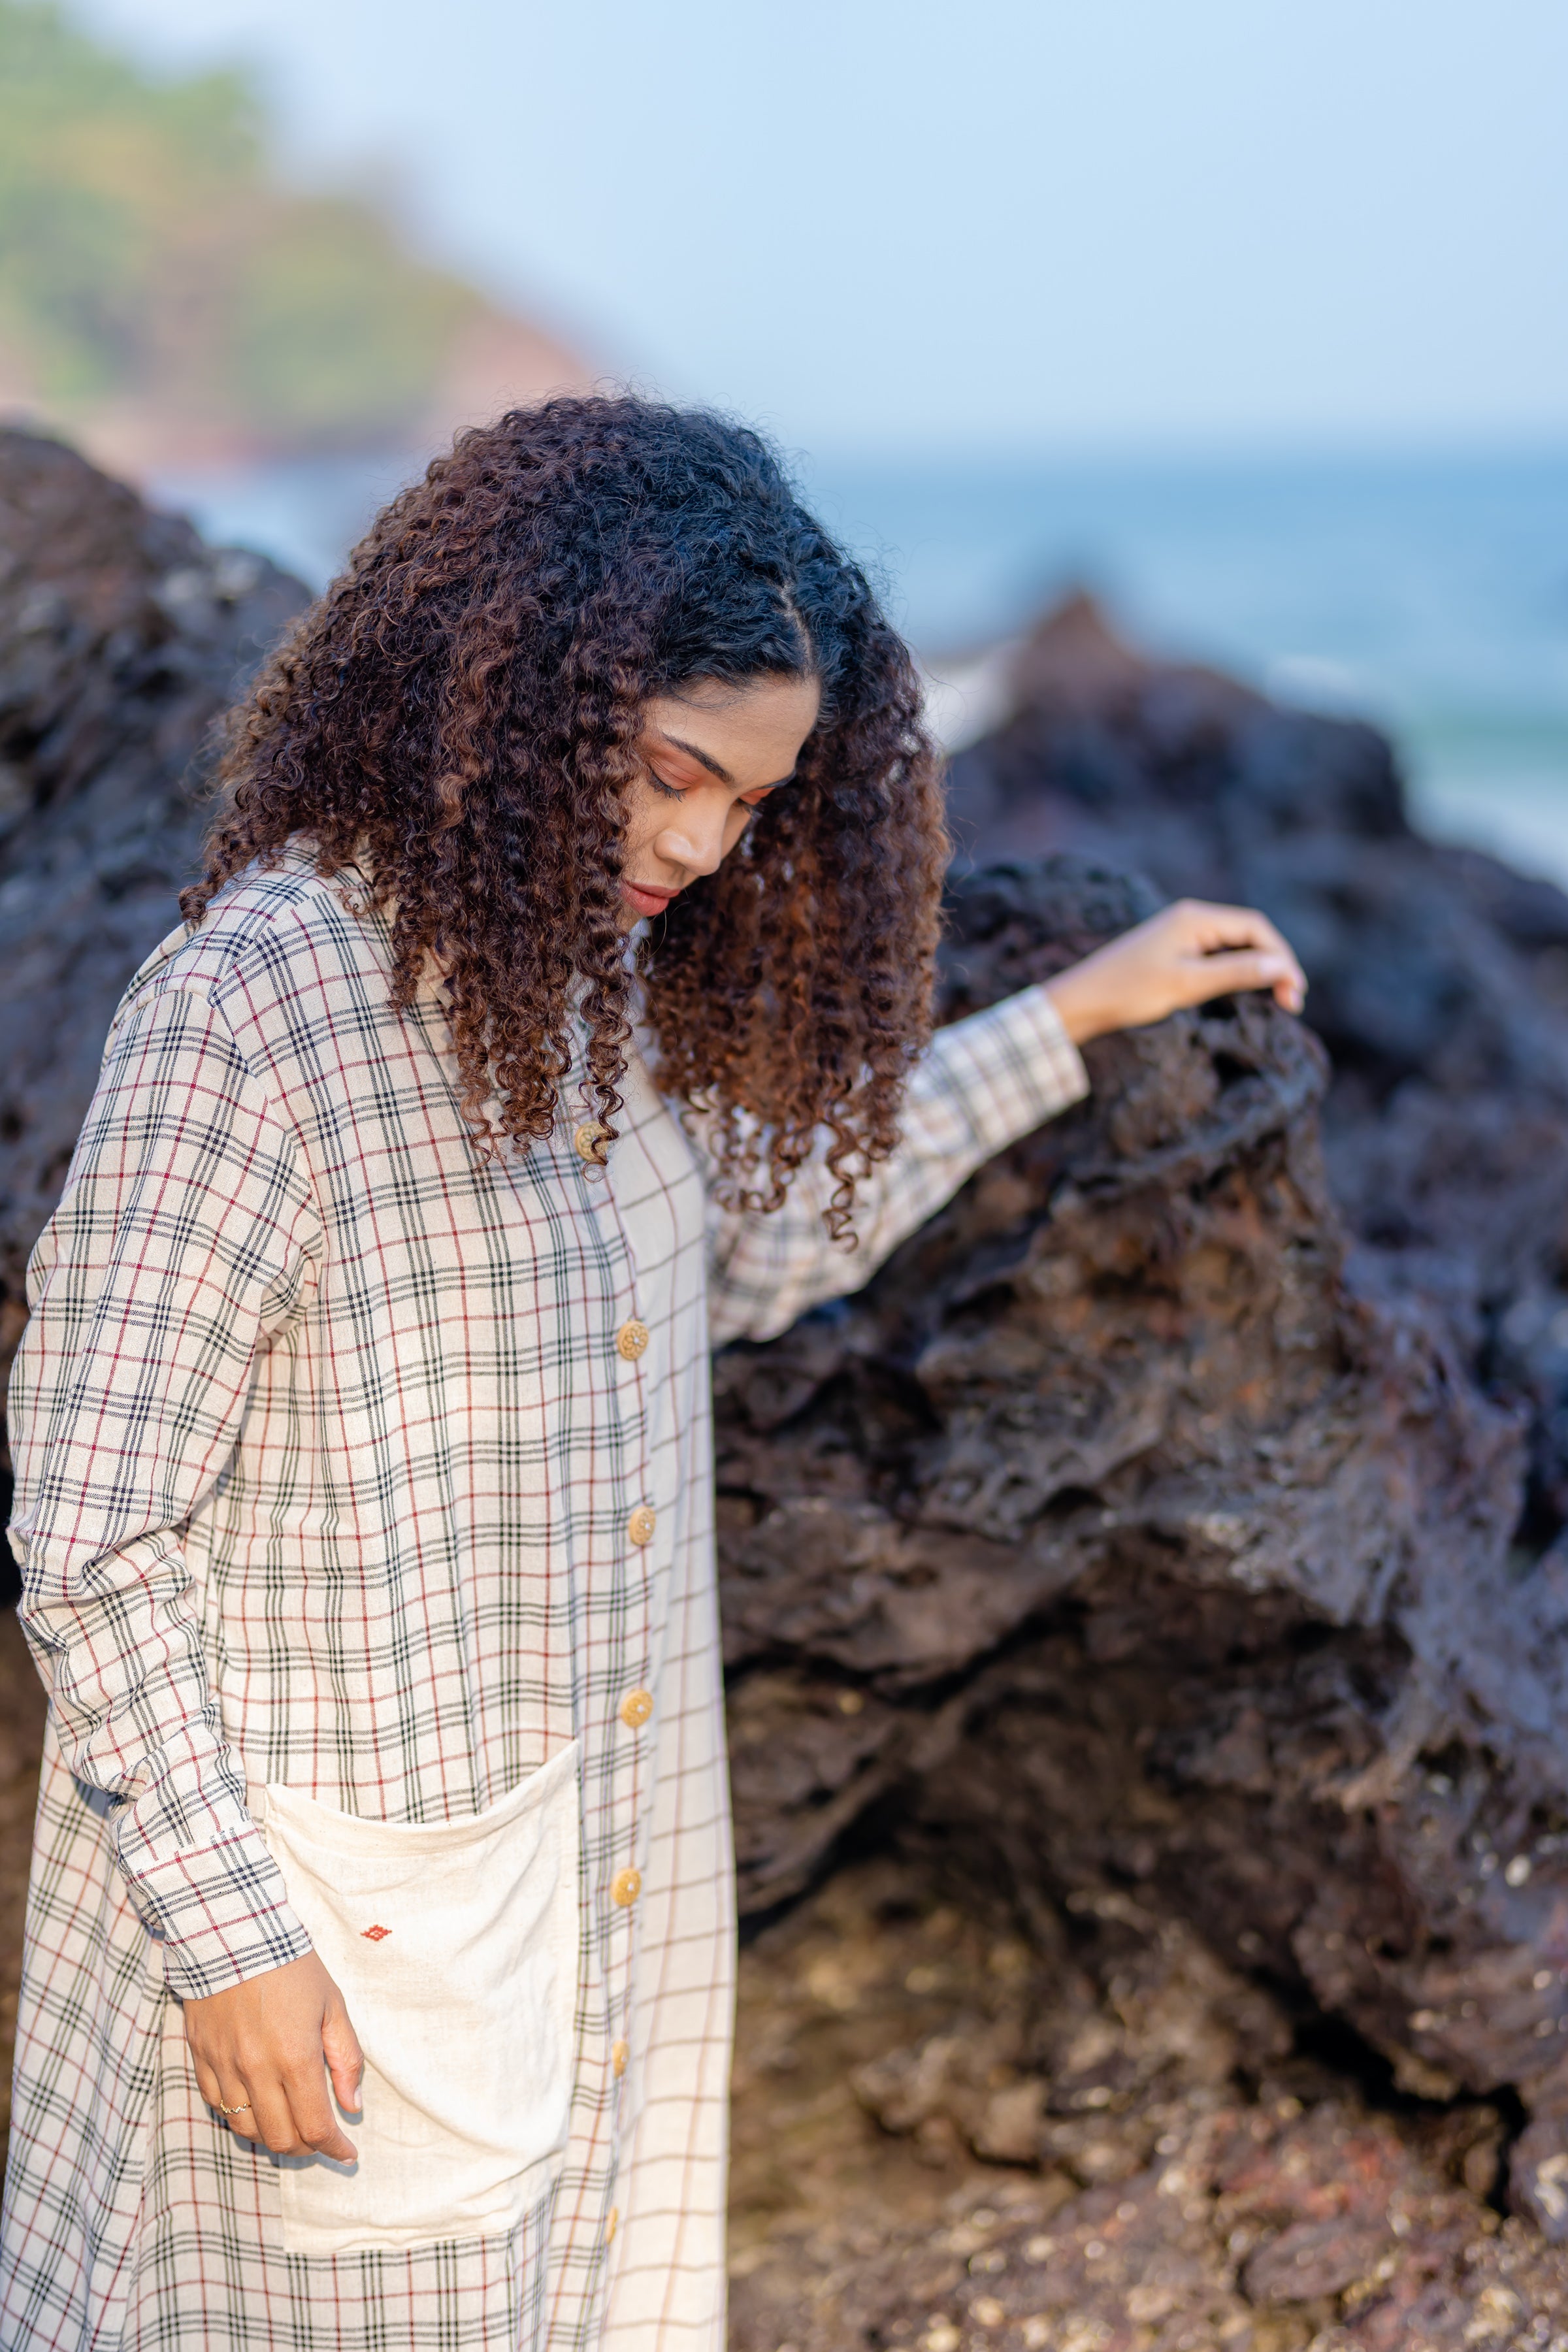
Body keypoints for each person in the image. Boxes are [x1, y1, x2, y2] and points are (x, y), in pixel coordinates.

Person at [0, 397, 1304, 2352]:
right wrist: (228, 1937)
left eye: (751, 806)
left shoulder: (584, 985)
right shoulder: (260, 1003)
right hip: (321, 1956)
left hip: (583, 1901)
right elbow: (93, 1524)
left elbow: (750, 1254)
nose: (698, 845)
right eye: (673, 771)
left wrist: (1064, 1024)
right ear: (519, 689)